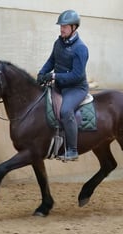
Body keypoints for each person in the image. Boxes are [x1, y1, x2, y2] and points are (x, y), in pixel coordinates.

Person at [37, 10, 89, 161]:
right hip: (59, 85)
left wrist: (54, 76)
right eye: (61, 26)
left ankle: (72, 150)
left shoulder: (81, 48)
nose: (61, 29)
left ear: (74, 27)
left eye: (65, 27)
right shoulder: (58, 43)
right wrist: (42, 73)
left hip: (76, 88)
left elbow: (76, 75)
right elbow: (51, 61)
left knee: (65, 111)